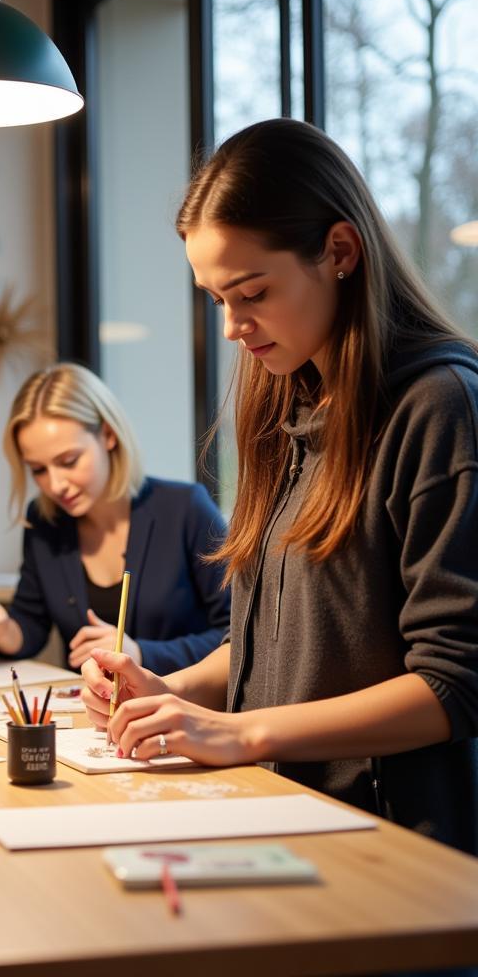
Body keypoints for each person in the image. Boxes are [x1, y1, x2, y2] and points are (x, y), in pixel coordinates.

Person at [82, 118, 478, 856]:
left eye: (252, 292)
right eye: (215, 299)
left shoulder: (438, 406)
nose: (233, 326)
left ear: (339, 252)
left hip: (393, 848)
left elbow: (455, 683)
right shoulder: (287, 403)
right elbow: (280, 642)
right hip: (284, 815)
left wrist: (241, 731)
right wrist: (177, 691)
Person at [0, 362, 230, 673]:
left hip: (181, 708)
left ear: (108, 435)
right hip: (88, 713)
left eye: (69, 461)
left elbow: (238, 634)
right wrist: (2, 630)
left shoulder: (185, 509)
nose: (55, 484)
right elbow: (31, 627)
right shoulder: (45, 522)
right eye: (38, 469)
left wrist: (140, 654)